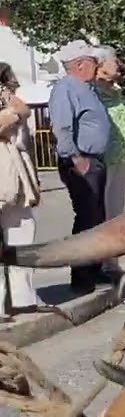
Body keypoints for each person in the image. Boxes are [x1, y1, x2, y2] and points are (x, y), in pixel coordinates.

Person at [48, 40, 111, 293]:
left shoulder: (86, 87)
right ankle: (82, 278)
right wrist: (76, 159)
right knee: (86, 218)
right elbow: (62, 127)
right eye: (94, 62)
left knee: (96, 219)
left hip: (93, 160)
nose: (97, 66)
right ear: (81, 64)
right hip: (80, 160)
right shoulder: (66, 88)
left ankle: (93, 271)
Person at [0, 63, 43, 309]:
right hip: (6, 176)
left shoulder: (11, 102)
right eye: (10, 82)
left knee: (22, 232)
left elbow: (25, 139)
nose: (14, 86)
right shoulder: (9, 104)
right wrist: (15, 113)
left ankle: (21, 297)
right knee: (18, 233)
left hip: (14, 176)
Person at [91, 47, 125, 274]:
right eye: (114, 61)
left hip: (122, 156)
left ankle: (112, 260)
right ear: (101, 65)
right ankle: (105, 261)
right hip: (106, 156)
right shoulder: (93, 92)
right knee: (106, 213)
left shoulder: (115, 90)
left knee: (116, 212)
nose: (118, 64)